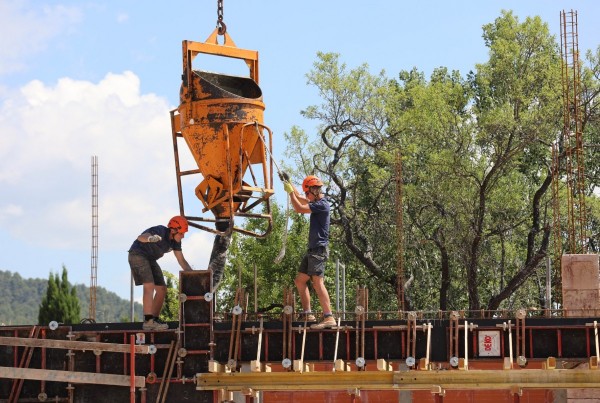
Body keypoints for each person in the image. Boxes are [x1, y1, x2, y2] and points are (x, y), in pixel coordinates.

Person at [284, 175, 336, 329]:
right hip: (312, 249)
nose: (306, 196)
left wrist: (289, 193)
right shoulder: (316, 201)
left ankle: (329, 317)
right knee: (300, 281)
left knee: (317, 282)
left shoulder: (322, 205)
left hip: (318, 249)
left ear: (314, 190)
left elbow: (299, 208)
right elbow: (300, 197)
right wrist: (289, 182)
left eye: (307, 193)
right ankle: (308, 313)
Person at [128, 215, 193, 330]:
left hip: (150, 259)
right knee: (149, 285)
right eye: (181, 233)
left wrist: (194, 276)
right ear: (173, 230)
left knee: (162, 289)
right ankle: (148, 322)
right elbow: (141, 237)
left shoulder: (175, 243)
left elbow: (181, 261)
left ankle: (154, 319)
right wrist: (151, 238)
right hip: (137, 255)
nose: (183, 236)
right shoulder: (160, 231)